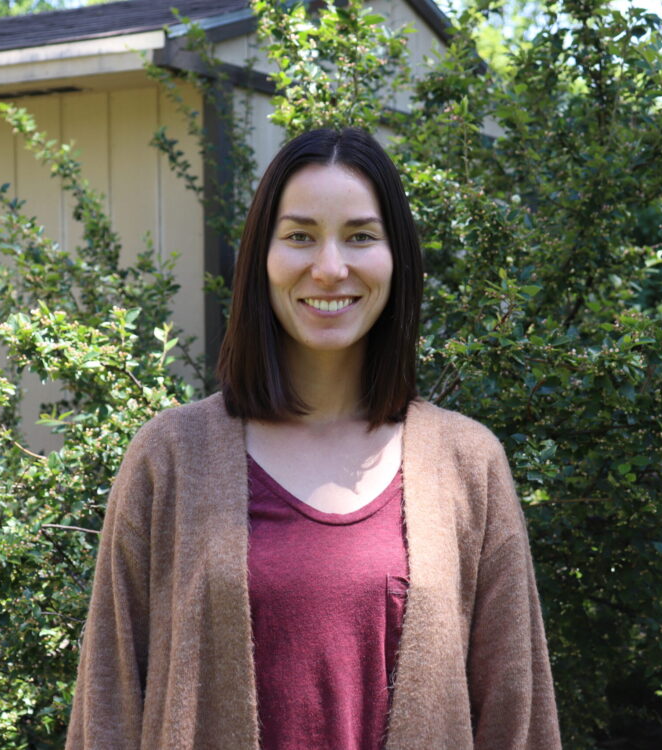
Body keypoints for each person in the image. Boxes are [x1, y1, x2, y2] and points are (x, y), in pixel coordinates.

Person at [65, 128, 561, 749]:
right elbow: (106, 705)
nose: (330, 268)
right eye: (300, 236)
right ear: (261, 259)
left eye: (360, 236)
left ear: (396, 258)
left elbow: (519, 718)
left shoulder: (467, 464)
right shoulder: (170, 457)